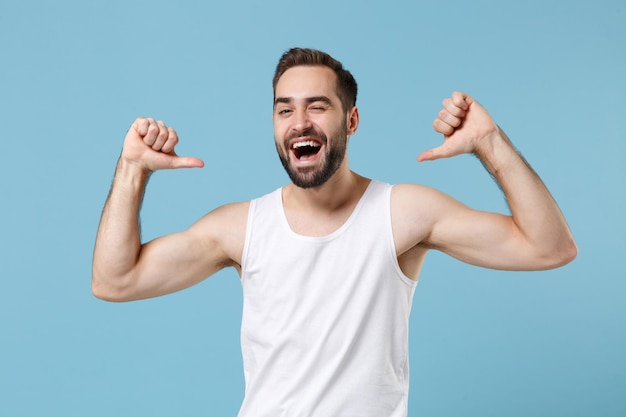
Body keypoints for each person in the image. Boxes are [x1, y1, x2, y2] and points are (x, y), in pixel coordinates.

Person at [92, 48, 577, 417]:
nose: (299, 121)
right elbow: (115, 281)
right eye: (285, 110)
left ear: (351, 120)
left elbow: (549, 247)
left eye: (317, 107)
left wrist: (489, 143)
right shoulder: (240, 227)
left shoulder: (403, 212)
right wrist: (133, 170)